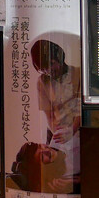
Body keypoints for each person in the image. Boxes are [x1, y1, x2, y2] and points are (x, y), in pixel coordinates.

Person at [29, 39, 82, 189]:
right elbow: (49, 114)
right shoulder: (42, 81)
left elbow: (82, 108)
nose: (49, 71)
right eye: (43, 69)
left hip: (81, 127)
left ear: (60, 58)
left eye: (51, 64)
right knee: (56, 174)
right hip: (59, 133)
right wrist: (59, 135)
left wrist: (72, 130)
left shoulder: (78, 73)